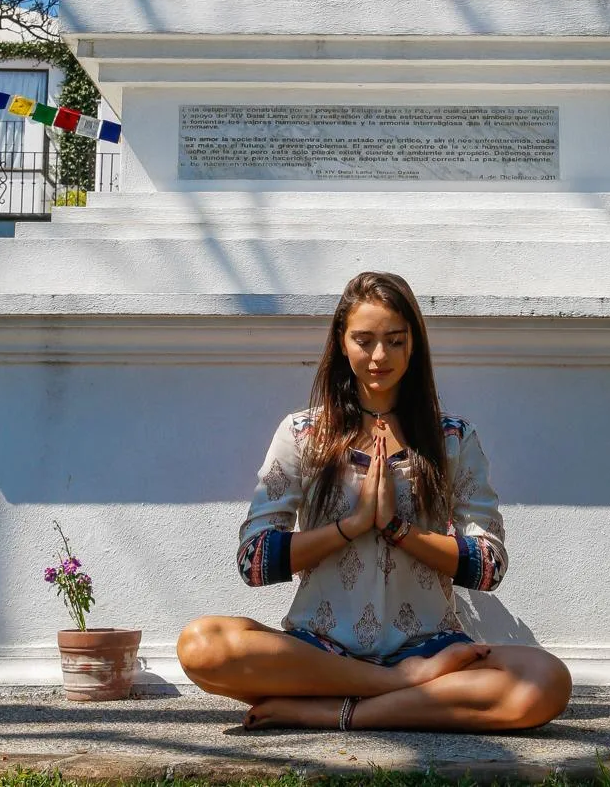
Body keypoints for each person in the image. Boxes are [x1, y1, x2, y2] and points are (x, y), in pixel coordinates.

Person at [177, 271, 572, 732]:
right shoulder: (304, 433)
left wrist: (398, 530)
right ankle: (400, 686)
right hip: (320, 652)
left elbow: (489, 565)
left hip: (428, 646)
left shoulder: (451, 439)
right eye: (364, 340)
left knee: (547, 680)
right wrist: (353, 524)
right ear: (342, 344)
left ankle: (339, 710)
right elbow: (254, 561)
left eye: (395, 340)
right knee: (202, 643)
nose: (379, 356)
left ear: (414, 346)